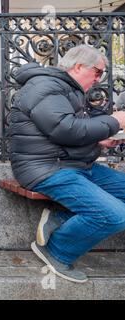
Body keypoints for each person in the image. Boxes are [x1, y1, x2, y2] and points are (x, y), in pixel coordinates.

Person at [9, 44, 125, 283]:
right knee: (115, 215)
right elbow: (65, 130)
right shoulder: (45, 87)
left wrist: (100, 140)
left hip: (72, 164)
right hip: (45, 168)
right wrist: (113, 122)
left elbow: (67, 132)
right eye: (98, 72)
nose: (99, 79)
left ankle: (59, 217)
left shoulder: (64, 88)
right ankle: (57, 251)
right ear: (79, 66)